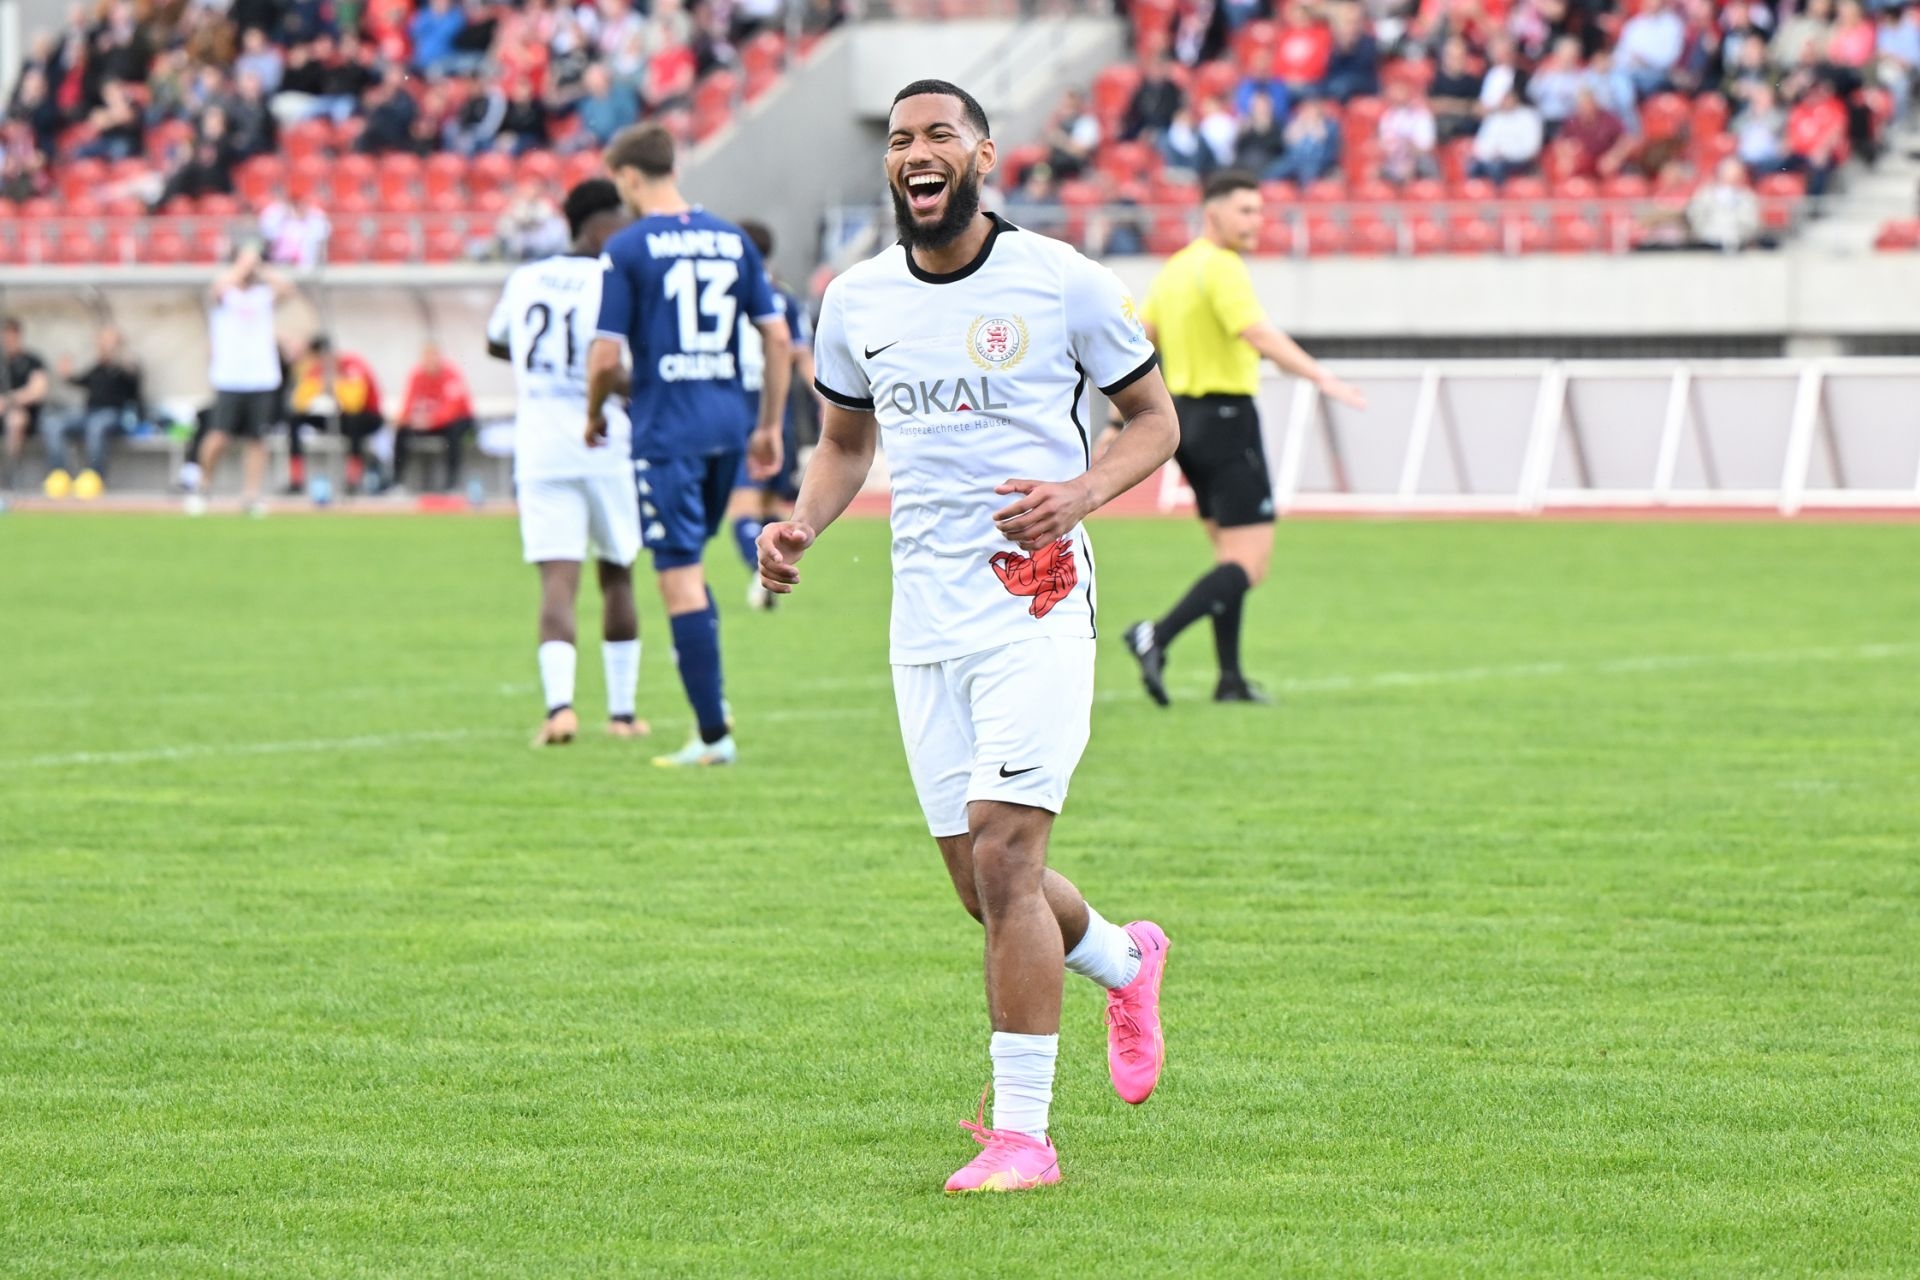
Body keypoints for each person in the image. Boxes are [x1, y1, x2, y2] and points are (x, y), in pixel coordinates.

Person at [754, 78, 1180, 1195]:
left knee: (1006, 854)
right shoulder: (855, 298)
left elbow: (1154, 423)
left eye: (940, 133)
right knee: (982, 887)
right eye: (900, 138)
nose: (917, 150)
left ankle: (1024, 1138)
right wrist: (803, 521)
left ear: (983, 156)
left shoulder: (1061, 280)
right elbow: (844, 442)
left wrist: (1079, 494)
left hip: (1036, 601)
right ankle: (1126, 960)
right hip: (923, 617)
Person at [586, 122, 791, 768]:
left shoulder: (627, 246)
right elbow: (777, 337)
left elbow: (604, 357)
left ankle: (712, 736)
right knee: (693, 574)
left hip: (667, 433)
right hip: (728, 426)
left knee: (677, 578)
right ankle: (714, 707)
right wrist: (768, 424)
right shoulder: (733, 239)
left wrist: (593, 415)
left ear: (628, 177)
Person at [1125, 170, 1367, 706]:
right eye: (1246, 211)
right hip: (1227, 419)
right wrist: (1320, 375)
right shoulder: (1221, 266)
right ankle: (1155, 635)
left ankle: (1230, 679)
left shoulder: (1175, 269)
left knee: (1228, 557)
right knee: (1250, 565)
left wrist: (1117, 423)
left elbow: (1140, 342)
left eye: (1260, 211)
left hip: (1185, 424)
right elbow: (1256, 333)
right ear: (1213, 214)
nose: (1257, 222)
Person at [488, 179, 649, 746]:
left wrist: (543, 366)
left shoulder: (526, 278)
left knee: (558, 580)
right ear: (602, 225)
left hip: (539, 447)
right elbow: (613, 368)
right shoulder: (612, 278)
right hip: (603, 442)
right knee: (618, 572)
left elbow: (496, 341)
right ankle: (623, 715)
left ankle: (560, 710)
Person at [724, 220, 814, 611]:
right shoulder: (783, 298)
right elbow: (801, 355)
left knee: (741, 510)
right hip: (780, 416)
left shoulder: (725, 295)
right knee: (767, 507)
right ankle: (772, 569)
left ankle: (762, 573)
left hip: (738, 413)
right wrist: (826, 400)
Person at [191, 244, 292, 517]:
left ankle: (251, 495)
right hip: (230, 377)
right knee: (218, 436)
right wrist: (242, 266)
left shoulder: (263, 296)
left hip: (261, 377)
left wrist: (261, 268)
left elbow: (287, 289)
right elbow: (217, 288)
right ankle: (203, 485)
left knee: (257, 439)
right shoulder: (226, 295)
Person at [43, 325, 142, 497]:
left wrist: (120, 354)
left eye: (107, 342)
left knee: (96, 425)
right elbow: (80, 380)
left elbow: (134, 381)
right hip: (89, 413)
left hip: (113, 415)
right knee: (53, 423)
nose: (102, 347)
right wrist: (67, 375)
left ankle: (94, 476)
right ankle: (59, 474)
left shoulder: (125, 368)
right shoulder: (97, 369)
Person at [287, 336, 384, 495]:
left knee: (355, 421)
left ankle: (353, 479)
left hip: (366, 416)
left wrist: (335, 385)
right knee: (294, 419)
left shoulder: (353, 364)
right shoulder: (316, 369)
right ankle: (296, 479)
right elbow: (300, 402)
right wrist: (320, 385)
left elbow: (354, 404)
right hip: (334, 416)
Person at [394, 343, 477, 492]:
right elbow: (409, 402)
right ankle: (397, 483)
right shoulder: (417, 376)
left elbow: (452, 409)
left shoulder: (451, 375)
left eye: (433, 358)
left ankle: (452, 484)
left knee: (454, 433)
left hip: (456, 422)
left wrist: (430, 420)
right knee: (402, 431)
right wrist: (403, 418)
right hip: (431, 423)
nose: (430, 362)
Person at [1, 317, 51, 495]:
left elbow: (38, 390)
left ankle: (10, 476)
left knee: (15, 420)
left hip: (25, 416)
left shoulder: (32, 361)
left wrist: (8, 400)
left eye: (11, 336)